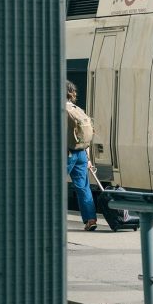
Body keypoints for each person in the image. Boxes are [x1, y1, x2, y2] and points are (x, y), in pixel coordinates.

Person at [66, 80, 98, 231]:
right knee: (83, 187)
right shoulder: (78, 109)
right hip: (81, 154)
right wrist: (88, 159)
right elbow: (85, 136)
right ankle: (90, 219)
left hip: (67, 154)